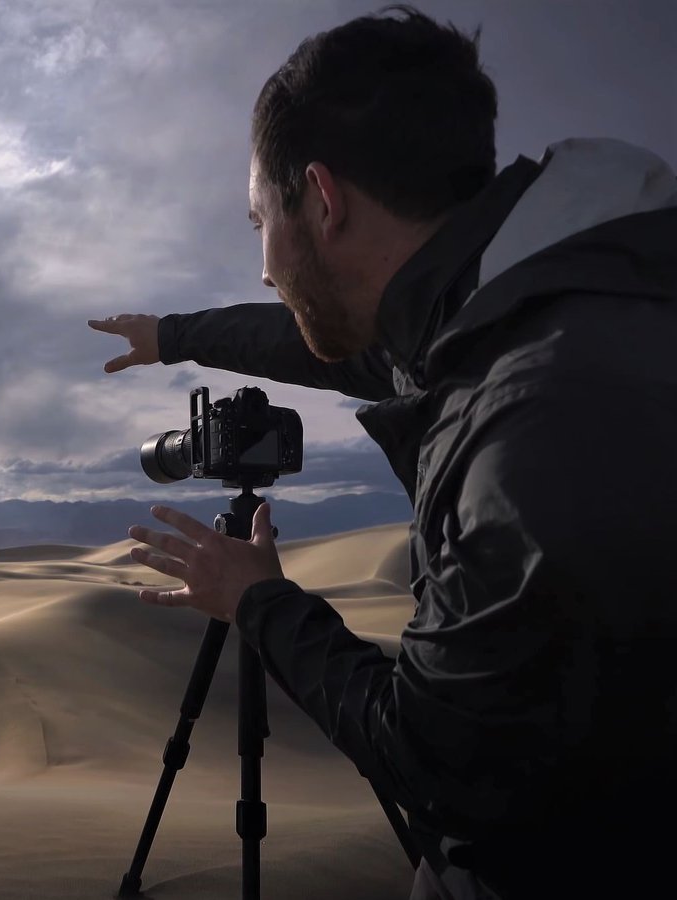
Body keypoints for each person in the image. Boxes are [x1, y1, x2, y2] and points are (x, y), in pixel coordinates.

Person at [88, 6, 677, 899]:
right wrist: (174, 336)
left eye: (259, 223)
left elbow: (443, 760)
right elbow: (327, 346)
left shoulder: (535, 419)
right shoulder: (533, 296)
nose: (263, 268)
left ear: (321, 200)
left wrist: (260, 604)